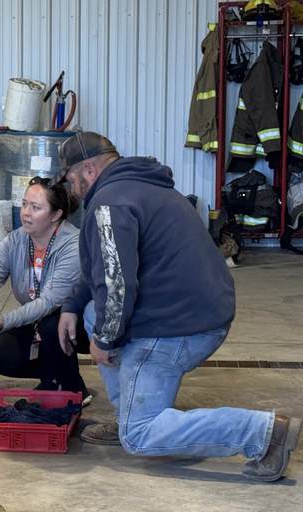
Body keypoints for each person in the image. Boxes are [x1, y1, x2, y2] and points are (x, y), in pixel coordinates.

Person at [55, 131, 300, 482]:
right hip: (197, 313)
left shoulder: (109, 203)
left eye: (70, 179)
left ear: (89, 170)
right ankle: (130, 414)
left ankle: (263, 432)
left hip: (176, 327)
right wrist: (72, 305)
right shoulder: (143, 186)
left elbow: (116, 282)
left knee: (139, 436)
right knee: (93, 312)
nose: (72, 189)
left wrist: (105, 341)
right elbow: (101, 265)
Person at [0, 176, 92, 402]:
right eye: (24, 204)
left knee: (52, 324)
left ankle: (74, 388)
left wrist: (6, 320)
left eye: (35, 207)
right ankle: (52, 377)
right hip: (37, 317)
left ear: (56, 215)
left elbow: (50, 301)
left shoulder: (73, 244)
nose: (26, 213)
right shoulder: (15, 240)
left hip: (78, 323)